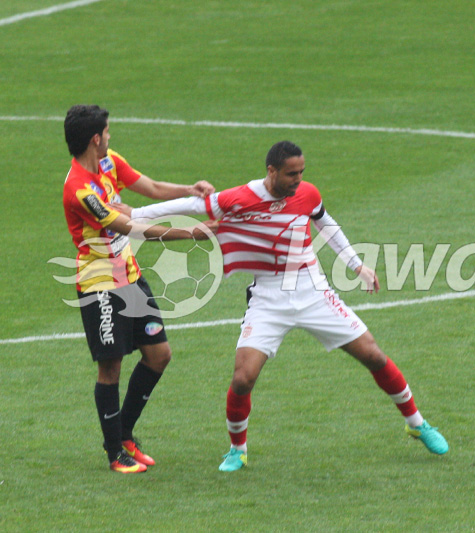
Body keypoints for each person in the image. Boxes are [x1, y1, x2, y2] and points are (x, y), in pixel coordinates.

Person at [119, 140, 449, 471]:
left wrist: (356, 265)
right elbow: (192, 205)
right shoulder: (240, 197)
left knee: (374, 355)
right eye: (291, 173)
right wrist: (135, 214)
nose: (298, 180)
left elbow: (326, 224)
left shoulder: (307, 193)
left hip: (312, 289)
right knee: (242, 378)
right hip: (269, 297)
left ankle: (417, 424)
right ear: (271, 171)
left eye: (302, 172)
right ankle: (238, 449)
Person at [62, 104, 216, 473]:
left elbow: (150, 188)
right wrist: (191, 233)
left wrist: (188, 189)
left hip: (129, 275)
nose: (111, 136)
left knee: (159, 354)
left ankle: (125, 434)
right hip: (101, 284)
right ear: (95, 138)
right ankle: (115, 453)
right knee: (110, 368)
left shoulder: (109, 161)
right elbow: (132, 227)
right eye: (108, 131)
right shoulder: (80, 191)